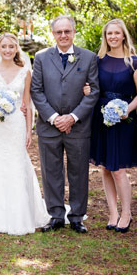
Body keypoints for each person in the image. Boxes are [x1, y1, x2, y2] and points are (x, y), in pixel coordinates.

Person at [0, 33, 50, 235]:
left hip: (16, 124)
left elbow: (28, 104)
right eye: (4, 46)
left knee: (16, 162)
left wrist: (29, 130)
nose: (7, 50)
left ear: (16, 49)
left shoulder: (25, 72)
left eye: (11, 47)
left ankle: (19, 215)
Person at [30, 15, 99, 233]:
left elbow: (94, 91)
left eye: (67, 31)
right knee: (51, 172)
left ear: (74, 32)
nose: (63, 35)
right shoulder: (41, 58)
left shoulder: (88, 58)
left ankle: (77, 217)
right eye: (59, 32)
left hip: (78, 127)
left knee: (78, 172)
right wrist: (54, 118)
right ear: (53, 34)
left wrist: (72, 117)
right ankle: (56, 215)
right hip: (49, 127)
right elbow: (36, 91)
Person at [88, 19, 137, 233]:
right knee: (105, 168)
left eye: (116, 33)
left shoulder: (135, 62)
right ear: (105, 37)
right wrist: (87, 91)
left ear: (123, 35)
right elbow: (92, 86)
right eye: (109, 33)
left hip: (123, 119)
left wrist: (126, 110)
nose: (112, 37)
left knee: (119, 170)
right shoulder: (98, 60)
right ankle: (112, 212)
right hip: (100, 117)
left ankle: (127, 213)